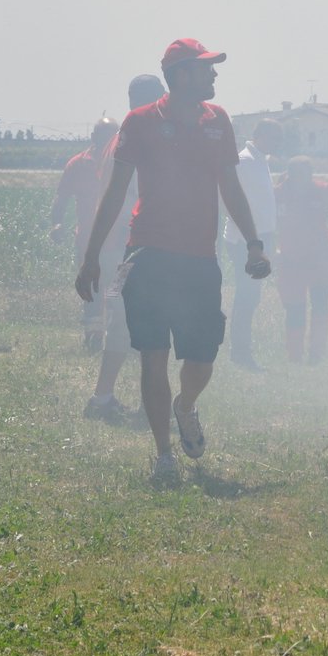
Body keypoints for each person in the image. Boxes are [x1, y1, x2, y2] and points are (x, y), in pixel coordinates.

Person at [77, 40, 271, 483]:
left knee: (202, 356)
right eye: (206, 69)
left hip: (200, 257)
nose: (214, 76)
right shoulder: (141, 122)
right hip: (147, 254)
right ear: (182, 75)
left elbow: (231, 188)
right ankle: (165, 454)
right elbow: (113, 192)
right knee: (153, 357)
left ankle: (186, 406)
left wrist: (254, 243)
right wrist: (91, 256)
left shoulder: (218, 121)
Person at [82, 74, 166, 421]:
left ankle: (107, 399)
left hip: (124, 247)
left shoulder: (122, 137)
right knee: (127, 322)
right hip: (128, 249)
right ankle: (108, 401)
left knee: (127, 320)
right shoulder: (136, 138)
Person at [272, 156, 328, 364]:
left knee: (320, 304)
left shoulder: (322, 190)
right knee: (294, 308)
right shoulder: (278, 194)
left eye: (308, 175)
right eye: (301, 175)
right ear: (290, 175)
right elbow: (264, 221)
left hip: (320, 259)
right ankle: (294, 357)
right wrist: (272, 249)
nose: (306, 180)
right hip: (290, 261)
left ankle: (316, 354)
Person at [51, 118, 119, 350]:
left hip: (120, 239)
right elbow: (62, 197)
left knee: (118, 290)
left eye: (114, 136)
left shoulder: (124, 162)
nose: (111, 141)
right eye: (106, 136)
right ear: (94, 137)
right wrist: (57, 223)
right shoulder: (78, 164)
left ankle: (117, 337)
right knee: (91, 288)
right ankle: (93, 335)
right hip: (88, 241)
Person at [223, 119, 285, 370]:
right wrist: (250, 243)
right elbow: (233, 200)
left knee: (251, 295)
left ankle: (241, 350)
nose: (276, 142)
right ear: (258, 135)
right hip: (246, 242)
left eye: (278, 138)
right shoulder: (246, 161)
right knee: (247, 295)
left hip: (261, 238)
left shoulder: (261, 161)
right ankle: (240, 352)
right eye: (272, 137)